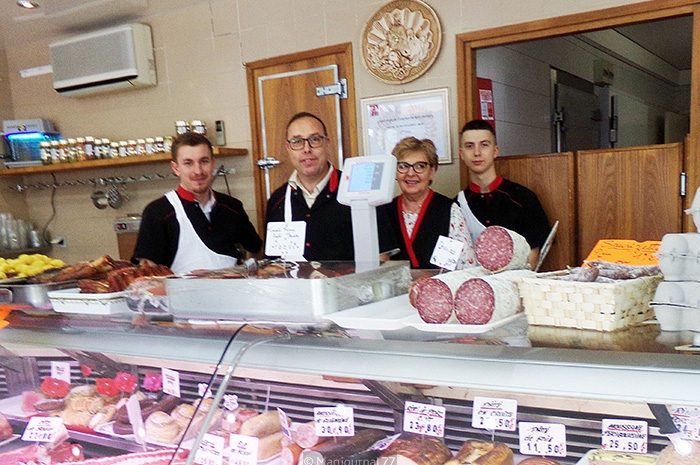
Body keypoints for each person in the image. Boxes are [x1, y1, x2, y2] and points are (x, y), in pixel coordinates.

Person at [265, 112, 394, 261]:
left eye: (315, 139)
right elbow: (272, 265)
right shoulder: (277, 201)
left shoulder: (361, 192)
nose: (306, 149)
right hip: (294, 284)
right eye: (297, 141)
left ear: (327, 143)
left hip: (350, 284)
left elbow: (381, 258)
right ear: (288, 147)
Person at [132, 132, 262, 274]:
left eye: (204, 161)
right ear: (176, 168)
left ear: (213, 163)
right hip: (179, 295)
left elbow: (256, 250)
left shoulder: (232, 207)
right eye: (188, 163)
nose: (198, 171)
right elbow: (147, 275)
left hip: (230, 294)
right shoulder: (157, 212)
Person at [457, 119, 550, 269]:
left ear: (495, 151)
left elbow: (533, 255)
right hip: (473, 286)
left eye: (484, 145)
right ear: (461, 154)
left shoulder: (524, 199)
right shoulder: (456, 206)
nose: (477, 152)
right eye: (469, 146)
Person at [378, 137, 477, 269]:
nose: (410, 173)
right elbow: (378, 267)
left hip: (439, 287)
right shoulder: (384, 211)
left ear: (432, 171)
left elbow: (463, 266)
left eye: (420, 166)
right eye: (403, 166)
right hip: (396, 288)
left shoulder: (448, 210)